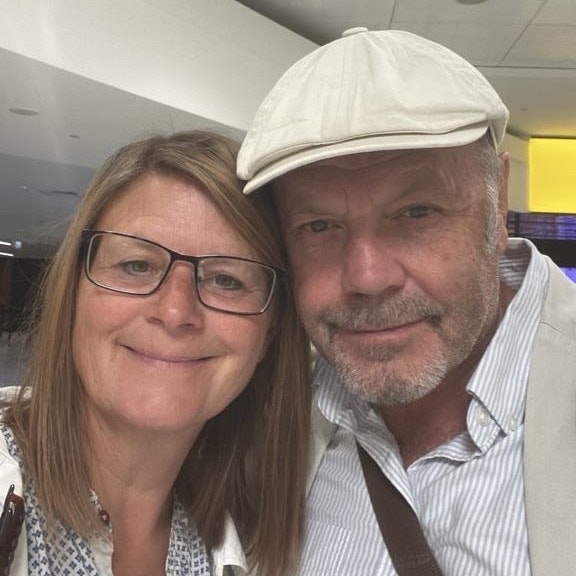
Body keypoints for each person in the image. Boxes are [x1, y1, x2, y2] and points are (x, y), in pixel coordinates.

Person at [237, 28, 576, 576]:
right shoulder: (259, 414)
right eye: (319, 225)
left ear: (497, 201)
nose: (368, 278)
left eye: (417, 212)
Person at [0, 131, 310, 576]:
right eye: (136, 265)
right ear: (73, 292)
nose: (175, 311)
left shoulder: (250, 544)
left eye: (226, 280)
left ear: (271, 331)